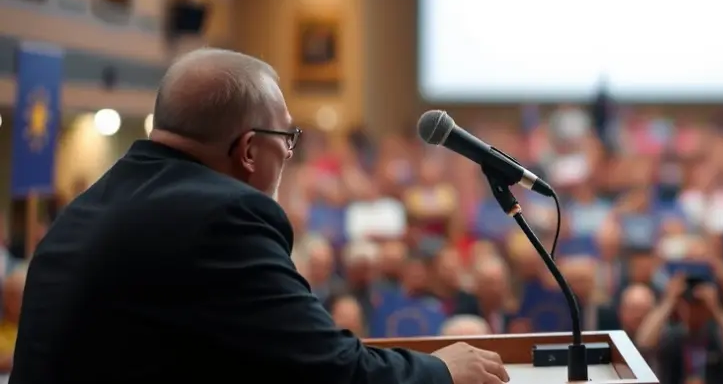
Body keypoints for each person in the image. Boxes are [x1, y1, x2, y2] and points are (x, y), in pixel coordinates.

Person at [11, 48, 510, 384]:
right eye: (288, 139)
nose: (291, 154)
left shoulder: (87, 207)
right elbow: (329, 369)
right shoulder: (223, 215)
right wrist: (441, 370)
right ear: (249, 150)